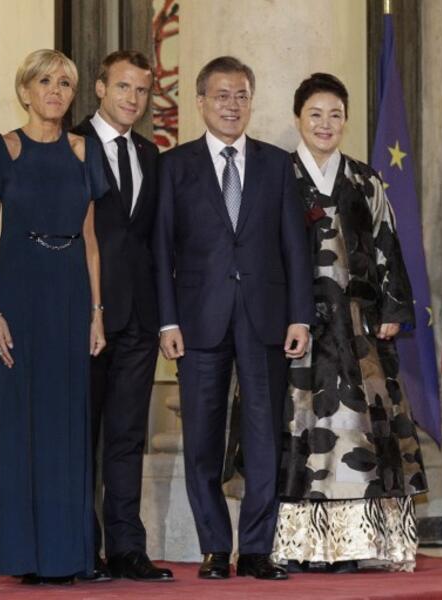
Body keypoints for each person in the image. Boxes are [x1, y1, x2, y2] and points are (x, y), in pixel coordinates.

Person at [153, 55, 314, 581]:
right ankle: (215, 549)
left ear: (251, 102)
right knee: (202, 436)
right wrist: (167, 322)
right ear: (199, 103)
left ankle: (259, 548)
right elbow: (161, 251)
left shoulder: (277, 164)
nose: (232, 105)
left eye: (241, 95)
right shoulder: (175, 167)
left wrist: (300, 317)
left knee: (265, 435)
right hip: (198, 321)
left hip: (266, 319)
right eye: (221, 95)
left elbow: (296, 246)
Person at [271, 73, 427, 574]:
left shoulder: (365, 179)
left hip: (359, 327)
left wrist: (392, 309)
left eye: (335, 115)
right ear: (298, 117)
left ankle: (357, 543)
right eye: (315, 114)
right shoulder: (277, 175)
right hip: (296, 324)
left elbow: (387, 246)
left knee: (358, 432)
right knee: (302, 428)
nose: (325, 124)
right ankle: (302, 544)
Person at [0, 48, 108, 585]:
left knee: (69, 422)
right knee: (23, 419)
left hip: (72, 290)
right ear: (24, 89)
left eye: (65, 83)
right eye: (45, 81)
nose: (55, 90)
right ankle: (28, 556)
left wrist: (97, 312)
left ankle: (68, 555)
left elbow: (93, 241)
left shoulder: (83, 151)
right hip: (19, 292)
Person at [71, 50, 171, 582]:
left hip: (139, 318)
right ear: (100, 88)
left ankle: (128, 547)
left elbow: (154, 240)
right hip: (84, 315)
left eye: (142, 91)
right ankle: (81, 547)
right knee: (81, 434)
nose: (133, 99)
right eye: (123, 88)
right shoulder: (68, 145)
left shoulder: (152, 155)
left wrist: (164, 317)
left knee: (128, 435)